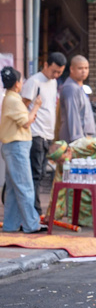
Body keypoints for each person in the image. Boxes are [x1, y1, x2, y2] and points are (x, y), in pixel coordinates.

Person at [0, 67, 45, 233]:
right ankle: (31, 225)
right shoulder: (13, 100)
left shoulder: (11, 98)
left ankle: (11, 225)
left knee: (13, 188)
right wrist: (36, 106)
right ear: (17, 83)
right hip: (17, 146)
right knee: (25, 186)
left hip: (14, 146)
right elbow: (26, 122)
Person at [20, 52, 66, 215]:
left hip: (47, 134)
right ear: (45, 65)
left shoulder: (53, 83)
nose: (56, 75)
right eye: (54, 71)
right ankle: (34, 211)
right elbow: (23, 107)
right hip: (35, 133)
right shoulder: (34, 81)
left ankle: (35, 210)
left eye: (60, 72)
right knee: (36, 174)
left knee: (41, 174)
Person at [58, 55, 96, 143]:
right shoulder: (71, 88)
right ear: (72, 69)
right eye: (80, 68)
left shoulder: (80, 87)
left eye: (86, 68)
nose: (84, 71)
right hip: (75, 139)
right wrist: (78, 141)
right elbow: (73, 115)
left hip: (84, 137)